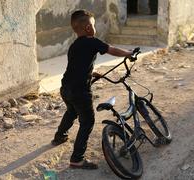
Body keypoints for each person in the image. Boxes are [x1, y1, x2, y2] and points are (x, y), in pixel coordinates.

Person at [51, 9, 134, 169]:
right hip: (80, 91)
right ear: (89, 28)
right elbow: (113, 50)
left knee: (71, 112)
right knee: (87, 121)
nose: (95, 29)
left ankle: (59, 136)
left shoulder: (74, 45)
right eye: (94, 25)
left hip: (66, 88)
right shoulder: (93, 41)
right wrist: (128, 53)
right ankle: (77, 159)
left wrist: (91, 72)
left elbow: (77, 65)